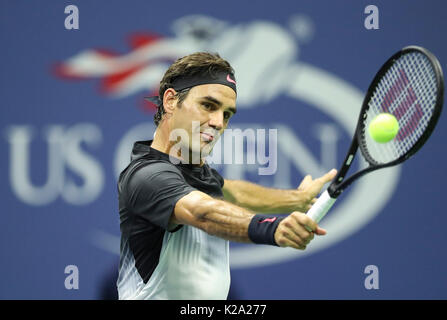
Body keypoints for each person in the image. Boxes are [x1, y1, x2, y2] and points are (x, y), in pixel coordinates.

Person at [116, 52, 337, 300]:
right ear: (170, 100)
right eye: (208, 106)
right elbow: (204, 213)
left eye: (227, 114)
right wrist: (272, 228)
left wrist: (296, 199)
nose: (218, 122)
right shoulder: (147, 176)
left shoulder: (196, 173)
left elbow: (234, 192)